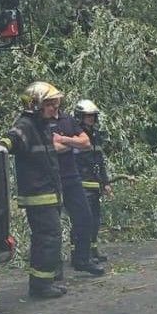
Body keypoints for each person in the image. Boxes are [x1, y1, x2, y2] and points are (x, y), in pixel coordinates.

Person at [0, 82, 66, 299]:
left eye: (56, 103)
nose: (55, 108)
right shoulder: (26, 125)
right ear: (34, 105)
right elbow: (11, 138)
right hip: (39, 195)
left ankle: (46, 280)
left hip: (48, 193)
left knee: (47, 236)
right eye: (49, 104)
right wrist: (0, 147)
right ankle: (41, 286)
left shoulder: (42, 126)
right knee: (48, 236)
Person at [51, 103, 105, 276]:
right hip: (55, 179)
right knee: (52, 226)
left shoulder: (68, 121)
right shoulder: (40, 122)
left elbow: (86, 145)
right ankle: (54, 269)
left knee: (86, 218)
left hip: (73, 179)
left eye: (56, 102)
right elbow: (53, 148)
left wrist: (65, 140)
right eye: (50, 102)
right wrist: (75, 144)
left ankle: (83, 259)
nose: (91, 118)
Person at [73, 99, 111, 263]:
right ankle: (79, 253)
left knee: (95, 219)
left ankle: (93, 250)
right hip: (81, 184)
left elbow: (100, 162)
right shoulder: (76, 135)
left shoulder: (96, 136)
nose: (91, 119)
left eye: (93, 116)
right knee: (82, 220)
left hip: (94, 184)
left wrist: (106, 182)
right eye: (88, 116)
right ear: (80, 116)